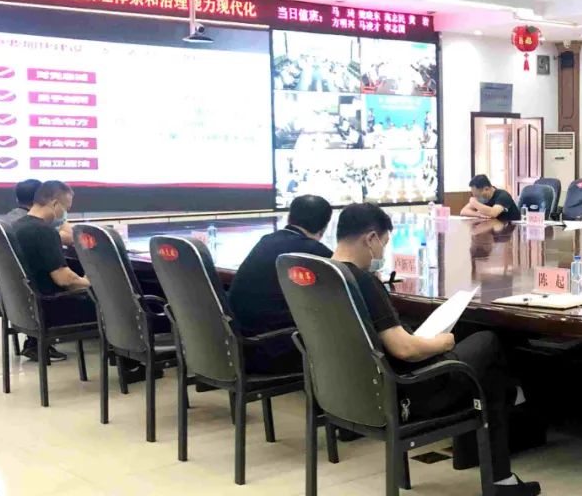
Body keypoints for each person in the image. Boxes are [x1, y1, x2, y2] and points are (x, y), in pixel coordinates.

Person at [332, 204, 541, 495]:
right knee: (488, 344)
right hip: (404, 394)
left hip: (348, 393)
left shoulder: (326, 275)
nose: (382, 253)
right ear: (370, 239)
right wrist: (443, 342)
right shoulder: (363, 282)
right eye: (384, 244)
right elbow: (405, 350)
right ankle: (500, 476)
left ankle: (502, 413)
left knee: (475, 347)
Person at [227, 195, 334, 374]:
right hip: (270, 352)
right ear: (324, 227)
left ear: (289, 217)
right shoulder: (314, 253)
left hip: (239, 348)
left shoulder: (266, 240)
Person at [10, 181, 95, 363]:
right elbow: (65, 280)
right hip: (51, 308)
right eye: (66, 209)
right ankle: (130, 363)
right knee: (115, 303)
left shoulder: (16, 226)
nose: (65, 215)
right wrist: (91, 282)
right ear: (55, 204)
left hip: (26, 308)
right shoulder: (45, 232)